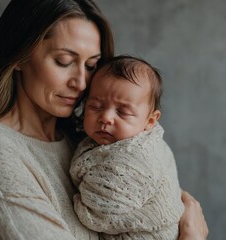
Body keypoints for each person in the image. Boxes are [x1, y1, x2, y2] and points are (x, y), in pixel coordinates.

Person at [0, 0, 208, 239]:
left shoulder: (90, 141)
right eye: (64, 61)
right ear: (18, 56)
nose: (81, 82)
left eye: (90, 66)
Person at [70, 55, 184, 239]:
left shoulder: (131, 161)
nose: (106, 117)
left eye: (122, 111)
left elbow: (100, 213)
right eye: (95, 106)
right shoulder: (109, 140)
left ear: (150, 121)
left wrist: (78, 201)